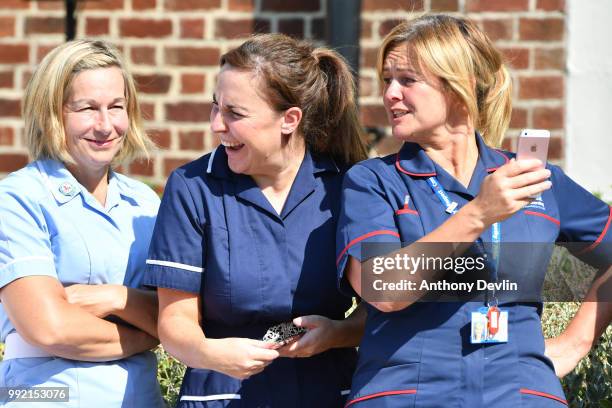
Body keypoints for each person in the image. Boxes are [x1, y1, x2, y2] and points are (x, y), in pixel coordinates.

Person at [336, 14, 611, 407]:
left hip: (521, 394)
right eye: (387, 80)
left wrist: (576, 341)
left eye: (407, 80)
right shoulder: (373, 181)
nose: (390, 94)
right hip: (407, 394)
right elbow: (383, 289)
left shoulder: (533, 178)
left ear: (460, 87)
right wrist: (480, 213)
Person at [144, 33, 368, 407]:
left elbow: (380, 307)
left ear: (289, 119)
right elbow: (174, 323)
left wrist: (337, 333)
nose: (217, 124)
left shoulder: (347, 187)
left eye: (235, 113)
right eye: (216, 107)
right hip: (223, 394)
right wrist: (213, 355)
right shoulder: (192, 187)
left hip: (328, 393)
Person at [0, 40, 164, 407]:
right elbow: (49, 327)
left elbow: (177, 316)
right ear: (53, 115)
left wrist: (116, 298)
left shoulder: (145, 204)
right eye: (88, 108)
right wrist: (147, 333)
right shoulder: (17, 199)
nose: (105, 125)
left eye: (116, 107)